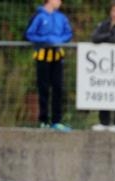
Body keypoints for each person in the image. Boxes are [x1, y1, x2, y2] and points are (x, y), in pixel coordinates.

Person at [25, 0, 73, 132]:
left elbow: (68, 33)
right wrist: (46, 40)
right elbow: (30, 34)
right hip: (42, 56)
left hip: (57, 56)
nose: (60, 2)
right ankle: (43, 120)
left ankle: (57, 121)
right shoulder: (39, 16)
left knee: (58, 88)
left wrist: (59, 40)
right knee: (43, 89)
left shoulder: (61, 17)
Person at [91, 0, 115, 133]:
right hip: (106, 66)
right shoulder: (104, 24)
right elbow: (95, 38)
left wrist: (107, 38)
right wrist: (109, 35)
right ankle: (104, 122)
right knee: (105, 91)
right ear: (111, 11)